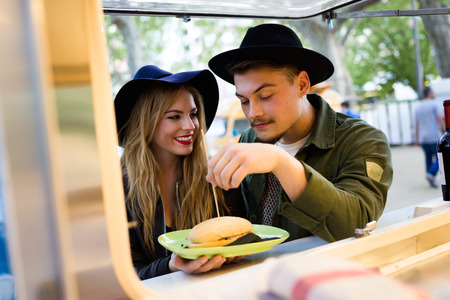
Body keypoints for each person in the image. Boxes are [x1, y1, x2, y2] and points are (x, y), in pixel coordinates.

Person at [206, 23, 393, 243]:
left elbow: (358, 224)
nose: (252, 113)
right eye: (244, 101)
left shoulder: (362, 140)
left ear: (302, 84)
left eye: (265, 96)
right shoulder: (249, 140)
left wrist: (281, 163)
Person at [114, 65, 236, 280]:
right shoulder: (117, 188)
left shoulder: (213, 177)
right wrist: (170, 266)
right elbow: (124, 274)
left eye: (193, 114)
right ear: (146, 122)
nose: (191, 126)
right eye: (174, 117)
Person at [415, 86, 444, 188]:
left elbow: (416, 124)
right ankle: (431, 174)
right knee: (440, 158)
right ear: (430, 93)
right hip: (433, 136)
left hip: (423, 138)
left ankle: (430, 177)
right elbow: (440, 119)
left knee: (427, 158)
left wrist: (417, 138)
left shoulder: (418, 106)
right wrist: (445, 131)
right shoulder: (434, 105)